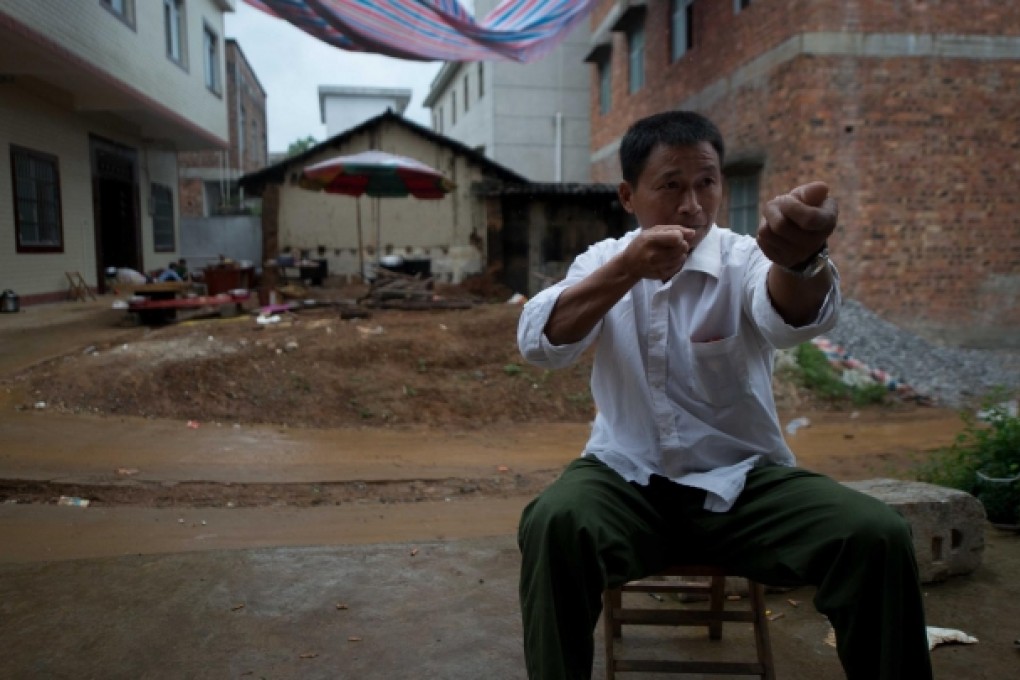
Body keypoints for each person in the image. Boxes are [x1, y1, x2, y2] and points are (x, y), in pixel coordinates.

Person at [516, 110, 932, 680]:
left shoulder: (745, 257)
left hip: (742, 486)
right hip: (627, 479)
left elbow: (791, 315)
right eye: (670, 185)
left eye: (706, 182)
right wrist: (628, 270)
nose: (691, 204)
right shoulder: (602, 261)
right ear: (629, 195)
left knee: (876, 536)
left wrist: (801, 261)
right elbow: (541, 342)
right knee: (554, 523)